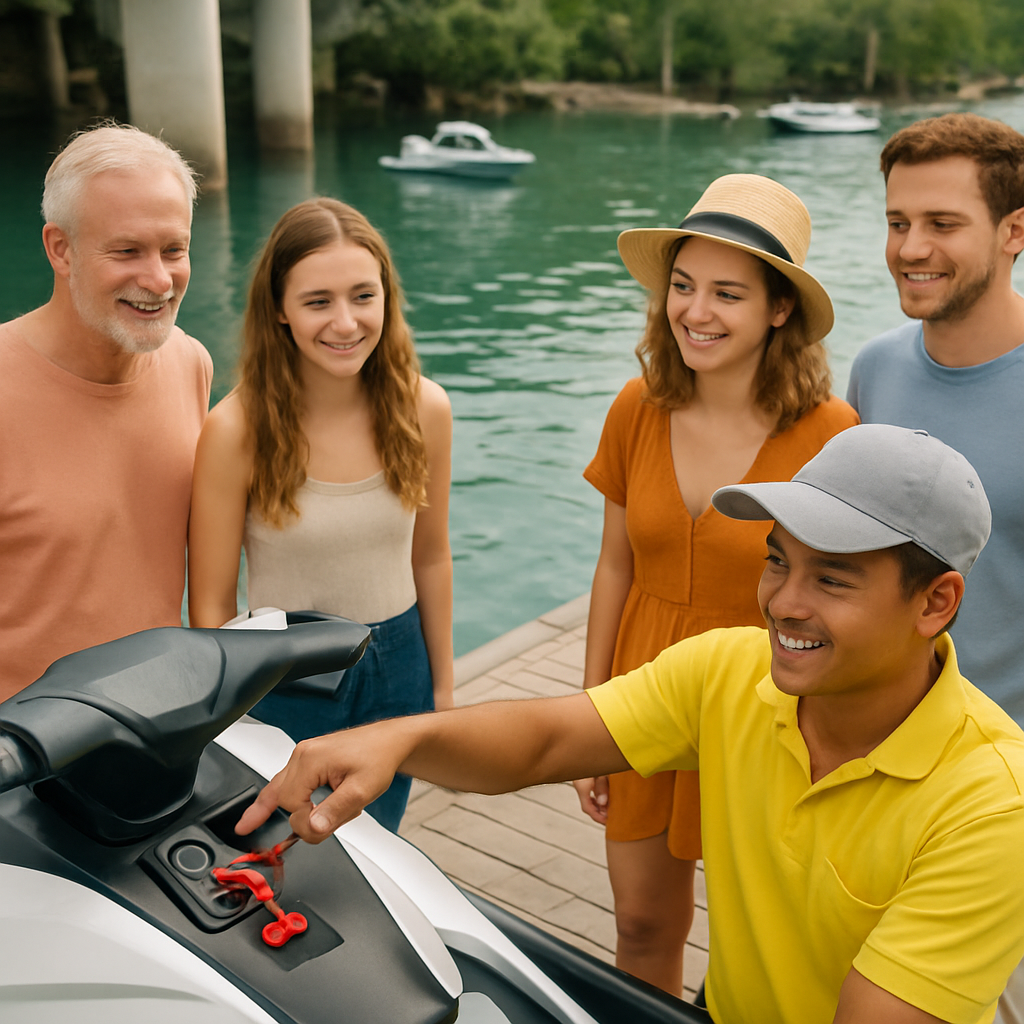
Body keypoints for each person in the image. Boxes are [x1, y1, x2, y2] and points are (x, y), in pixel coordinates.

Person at [239, 424, 1024, 1024]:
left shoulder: (994, 807)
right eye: (778, 560)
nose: (785, 602)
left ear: (935, 602)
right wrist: (400, 737)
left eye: (833, 578)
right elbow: (547, 740)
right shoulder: (728, 669)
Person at [573, 173, 858, 993]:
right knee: (642, 926)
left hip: (768, 709)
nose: (696, 312)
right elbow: (615, 564)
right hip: (643, 695)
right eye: (684, 287)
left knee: (761, 947)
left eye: (728, 293)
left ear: (778, 310)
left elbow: (840, 596)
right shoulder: (637, 406)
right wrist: (592, 708)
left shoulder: (831, 434)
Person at [188, 197, 453, 833]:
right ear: (279, 308)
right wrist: (230, 726)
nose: (345, 322)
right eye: (317, 301)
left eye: (363, 295)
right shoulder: (235, 429)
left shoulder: (427, 409)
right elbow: (212, 602)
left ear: (387, 296)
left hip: (400, 667)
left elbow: (432, 556)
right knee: (281, 859)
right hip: (284, 677)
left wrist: (442, 693)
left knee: (374, 855)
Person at [0, 122, 213, 702]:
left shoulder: (190, 362)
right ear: (60, 249)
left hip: (161, 728)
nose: (159, 280)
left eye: (174, 249)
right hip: (21, 759)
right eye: (127, 251)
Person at [847, 113, 1024, 724]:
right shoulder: (874, 369)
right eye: (898, 223)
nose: (910, 248)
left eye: (942, 224)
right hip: (874, 738)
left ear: (1014, 231)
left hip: (1006, 761)